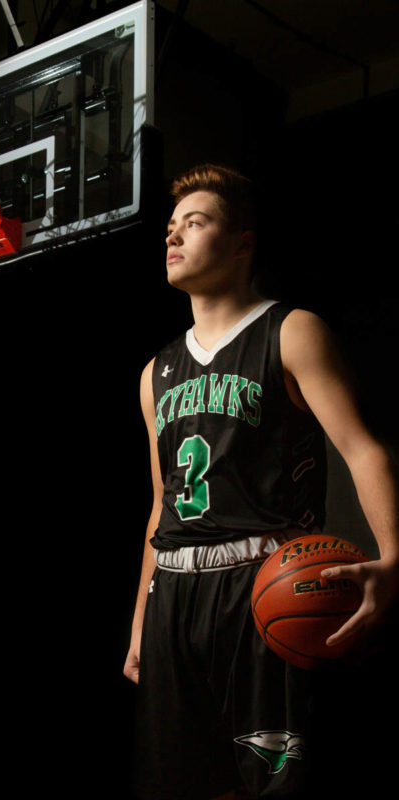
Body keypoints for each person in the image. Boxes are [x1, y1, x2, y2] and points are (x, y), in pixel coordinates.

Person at [123, 163, 398, 799]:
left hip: (263, 586)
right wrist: (140, 621)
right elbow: (161, 506)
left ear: (243, 242)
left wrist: (393, 559)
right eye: (170, 227)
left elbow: (363, 450)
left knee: (268, 788)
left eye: (195, 223)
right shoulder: (153, 372)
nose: (174, 237)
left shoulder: (291, 330)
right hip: (174, 597)